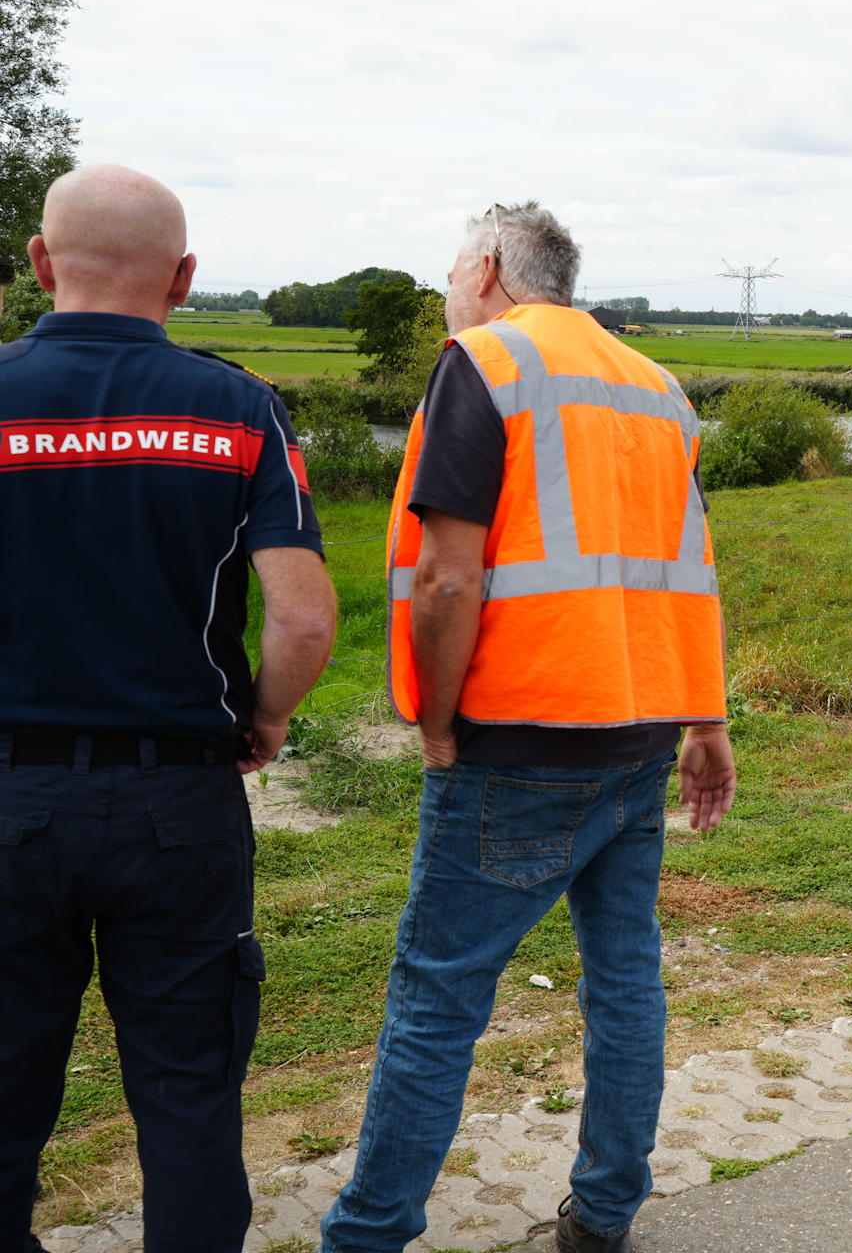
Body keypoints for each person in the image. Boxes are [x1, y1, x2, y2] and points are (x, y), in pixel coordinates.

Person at [320, 203, 735, 1253]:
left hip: (517, 739)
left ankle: (365, 1234)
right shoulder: (657, 388)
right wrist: (706, 721)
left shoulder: (485, 364)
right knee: (626, 981)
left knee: (436, 1002)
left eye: (454, 264)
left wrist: (439, 724)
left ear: (494, 267)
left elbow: (449, 574)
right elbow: (687, 570)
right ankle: (603, 1212)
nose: (447, 287)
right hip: (639, 737)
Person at [0, 166, 337, 1253]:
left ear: (41, 264)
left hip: (8, 801)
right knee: (189, 1100)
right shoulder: (238, 406)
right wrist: (269, 720)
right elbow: (302, 619)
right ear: (184, 279)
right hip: (177, 803)